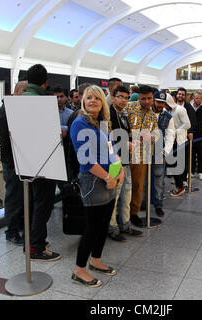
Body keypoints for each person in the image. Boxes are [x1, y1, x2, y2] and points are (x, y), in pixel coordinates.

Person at [70, 85, 125, 287]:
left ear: (103, 102)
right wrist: (107, 177)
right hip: (93, 181)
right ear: (83, 101)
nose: (92, 101)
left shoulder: (102, 123)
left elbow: (112, 150)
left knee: (103, 225)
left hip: (109, 178)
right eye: (88, 97)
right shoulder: (79, 124)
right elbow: (85, 160)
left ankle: (96, 260)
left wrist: (120, 170)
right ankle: (79, 270)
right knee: (92, 227)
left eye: (97, 98)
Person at [22, 64, 61, 261]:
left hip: (24, 163)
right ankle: (36, 247)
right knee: (42, 206)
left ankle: (28, 243)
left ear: (27, 81)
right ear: (45, 83)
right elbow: (50, 135)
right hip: (45, 163)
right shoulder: (44, 102)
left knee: (30, 204)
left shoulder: (17, 101)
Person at [108, 86, 142, 241]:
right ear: (113, 97)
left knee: (126, 195)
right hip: (114, 162)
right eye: (120, 97)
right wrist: (123, 144)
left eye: (126, 98)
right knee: (114, 197)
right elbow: (107, 140)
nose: (123, 100)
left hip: (126, 160)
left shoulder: (124, 114)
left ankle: (125, 224)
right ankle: (112, 227)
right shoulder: (107, 115)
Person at [0, 81, 28, 246]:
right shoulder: (6, 111)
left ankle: (18, 227)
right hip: (12, 164)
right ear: (16, 91)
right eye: (24, 90)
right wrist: (13, 162)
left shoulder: (18, 109)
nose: (26, 93)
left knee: (19, 197)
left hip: (20, 162)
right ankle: (11, 232)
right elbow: (5, 140)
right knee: (13, 198)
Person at [126, 85, 159, 228]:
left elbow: (157, 134)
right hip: (122, 153)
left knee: (138, 185)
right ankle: (117, 215)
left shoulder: (152, 115)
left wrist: (150, 136)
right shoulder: (129, 108)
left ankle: (134, 213)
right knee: (120, 185)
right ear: (138, 97)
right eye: (143, 98)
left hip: (141, 155)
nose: (146, 101)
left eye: (149, 98)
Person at [150, 91, 176, 216]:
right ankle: (143, 203)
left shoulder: (168, 117)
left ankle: (158, 205)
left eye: (162, 103)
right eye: (158, 102)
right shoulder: (145, 112)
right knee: (142, 179)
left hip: (159, 151)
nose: (160, 105)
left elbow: (171, 134)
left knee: (159, 178)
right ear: (153, 101)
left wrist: (165, 151)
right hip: (143, 151)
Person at [174, 88, 197, 188]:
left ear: (185, 96)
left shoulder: (188, 107)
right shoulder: (173, 106)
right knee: (174, 158)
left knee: (183, 159)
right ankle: (177, 178)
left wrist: (190, 132)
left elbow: (192, 121)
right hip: (172, 137)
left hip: (183, 138)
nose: (180, 96)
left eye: (183, 94)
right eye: (179, 94)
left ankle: (183, 179)